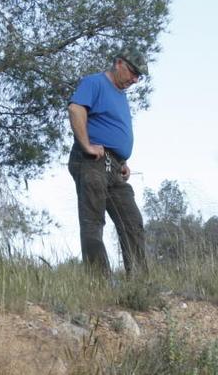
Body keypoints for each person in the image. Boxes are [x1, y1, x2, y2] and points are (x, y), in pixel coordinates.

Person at [67, 52, 149, 278]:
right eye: (133, 73)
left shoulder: (121, 96)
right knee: (93, 221)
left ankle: (140, 284)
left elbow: (111, 128)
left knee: (132, 221)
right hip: (92, 161)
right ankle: (99, 282)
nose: (135, 80)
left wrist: (122, 161)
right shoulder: (94, 82)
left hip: (114, 167)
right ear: (119, 63)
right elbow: (76, 110)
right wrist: (87, 145)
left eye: (138, 77)